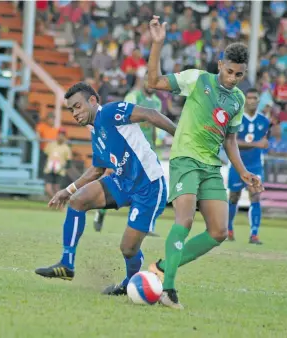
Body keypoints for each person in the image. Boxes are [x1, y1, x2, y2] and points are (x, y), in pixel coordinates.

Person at [146, 16, 263, 309]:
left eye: (239, 74)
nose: (232, 78)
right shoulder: (198, 79)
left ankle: (162, 265)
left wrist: (243, 171)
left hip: (212, 166)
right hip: (185, 159)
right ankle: (167, 289)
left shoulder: (236, 100)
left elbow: (230, 140)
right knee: (184, 220)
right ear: (221, 63)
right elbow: (153, 82)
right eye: (229, 71)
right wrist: (157, 44)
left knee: (219, 232)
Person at [35, 82, 176, 295]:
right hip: (122, 181)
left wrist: (180, 136)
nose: (75, 113)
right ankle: (67, 264)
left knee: (128, 248)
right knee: (77, 201)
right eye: (71, 109)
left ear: (93, 101)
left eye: (78, 106)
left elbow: (150, 114)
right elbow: (97, 170)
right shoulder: (96, 132)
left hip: (149, 186)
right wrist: (68, 190)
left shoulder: (111, 112)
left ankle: (130, 283)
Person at [94, 75, 163, 234]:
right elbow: (121, 122)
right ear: (144, 80)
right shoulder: (133, 96)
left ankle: (145, 225)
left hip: (147, 150)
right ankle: (101, 210)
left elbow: (154, 126)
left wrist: (154, 147)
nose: (152, 86)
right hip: (129, 149)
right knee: (120, 185)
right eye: (150, 81)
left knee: (151, 187)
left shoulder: (157, 102)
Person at [227, 88, 270, 244]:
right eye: (249, 98)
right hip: (237, 164)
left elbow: (265, 141)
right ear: (245, 100)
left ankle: (254, 234)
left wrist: (264, 144)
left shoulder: (264, 121)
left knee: (255, 195)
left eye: (254, 98)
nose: (251, 101)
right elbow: (232, 142)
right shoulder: (236, 119)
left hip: (255, 165)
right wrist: (256, 144)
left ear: (258, 101)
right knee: (234, 197)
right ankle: (229, 229)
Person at [43, 127, 72, 198]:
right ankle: (55, 201)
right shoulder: (51, 144)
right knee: (48, 189)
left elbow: (68, 163)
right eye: (60, 134)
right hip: (49, 170)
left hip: (59, 171)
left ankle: (58, 203)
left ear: (65, 137)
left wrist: (61, 168)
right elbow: (44, 156)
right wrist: (46, 166)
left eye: (63, 135)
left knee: (57, 188)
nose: (61, 137)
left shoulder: (66, 148)